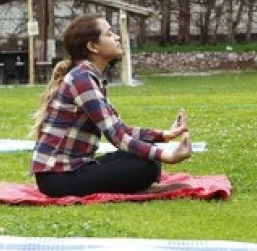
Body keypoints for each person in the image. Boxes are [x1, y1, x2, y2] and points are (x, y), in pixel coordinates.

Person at [30, 14, 192, 198]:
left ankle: (137, 181)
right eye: (109, 34)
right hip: (57, 177)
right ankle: (139, 183)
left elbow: (119, 128)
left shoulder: (87, 77)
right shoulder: (81, 79)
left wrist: (164, 135)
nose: (116, 37)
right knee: (145, 165)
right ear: (92, 47)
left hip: (73, 169)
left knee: (146, 152)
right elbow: (117, 136)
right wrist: (167, 156)